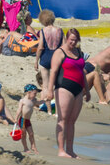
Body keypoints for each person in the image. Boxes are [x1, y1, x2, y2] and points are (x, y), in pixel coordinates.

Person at [43, 28, 90, 158]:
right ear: (66, 39)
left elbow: (82, 72)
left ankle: (70, 150)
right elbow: (53, 71)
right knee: (62, 119)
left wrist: (87, 89)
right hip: (64, 88)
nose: (73, 43)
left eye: (76, 40)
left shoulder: (78, 52)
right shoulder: (60, 52)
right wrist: (50, 90)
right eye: (71, 40)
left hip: (78, 90)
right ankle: (61, 150)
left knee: (72, 121)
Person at [14, 84, 39, 153]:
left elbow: (38, 103)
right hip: (22, 120)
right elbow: (19, 110)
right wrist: (16, 119)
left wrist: (45, 100)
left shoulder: (33, 100)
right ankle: (25, 148)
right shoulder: (23, 100)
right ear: (29, 92)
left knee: (31, 134)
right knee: (23, 134)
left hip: (28, 120)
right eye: (34, 93)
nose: (36, 95)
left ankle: (33, 146)